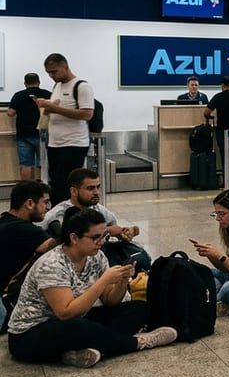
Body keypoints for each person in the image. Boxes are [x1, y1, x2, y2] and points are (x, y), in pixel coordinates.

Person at [7, 206, 177, 368]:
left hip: (76, 320)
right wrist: (103, 280)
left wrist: (122, 281)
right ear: (74, 238)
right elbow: (65, 313)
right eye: (95, 238)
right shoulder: (52, 264)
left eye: (103, 236)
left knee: (139, 309)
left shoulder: (96, 256)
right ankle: (138, 343)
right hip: (30, 334)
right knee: (80, 328)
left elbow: (110, 301)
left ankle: (81, 351)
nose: (101, 242)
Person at [37, 53, 94, 206]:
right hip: (55, 143)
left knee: (67, 186)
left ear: (65, 67)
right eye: (48, 72)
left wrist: (55, 109)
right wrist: (45, 106)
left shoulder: (82, 86)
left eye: (54, 71)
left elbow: (87, 114)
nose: (51, 76)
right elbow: (55, 108)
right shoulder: (57, 86)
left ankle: (69, 217)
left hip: (73, 144)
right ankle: (58, 216)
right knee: (56, 183)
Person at [0, 181, 56, 328]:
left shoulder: (6, 222)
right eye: (45, 202)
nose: (48, 208)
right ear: (30, 203)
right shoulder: (22, 229)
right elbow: (60, 247)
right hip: (7, 304)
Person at [41, 168, 140, 243]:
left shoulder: (99, 210)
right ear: (74, 191)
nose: (96, 192)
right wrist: (107, 230)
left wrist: (123, 233)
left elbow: (113, 227)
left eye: (98, 187)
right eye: (90, 188)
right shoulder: (58, 214)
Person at [7, 73, 51, 181]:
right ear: (39, 82)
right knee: (44, 163)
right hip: (43, 132)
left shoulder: (19, 95)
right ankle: (44, 188)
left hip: (24, 134)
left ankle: (27, 191)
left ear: (25, 83)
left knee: (25, 164)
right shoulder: (47, 94)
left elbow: (10, 113)